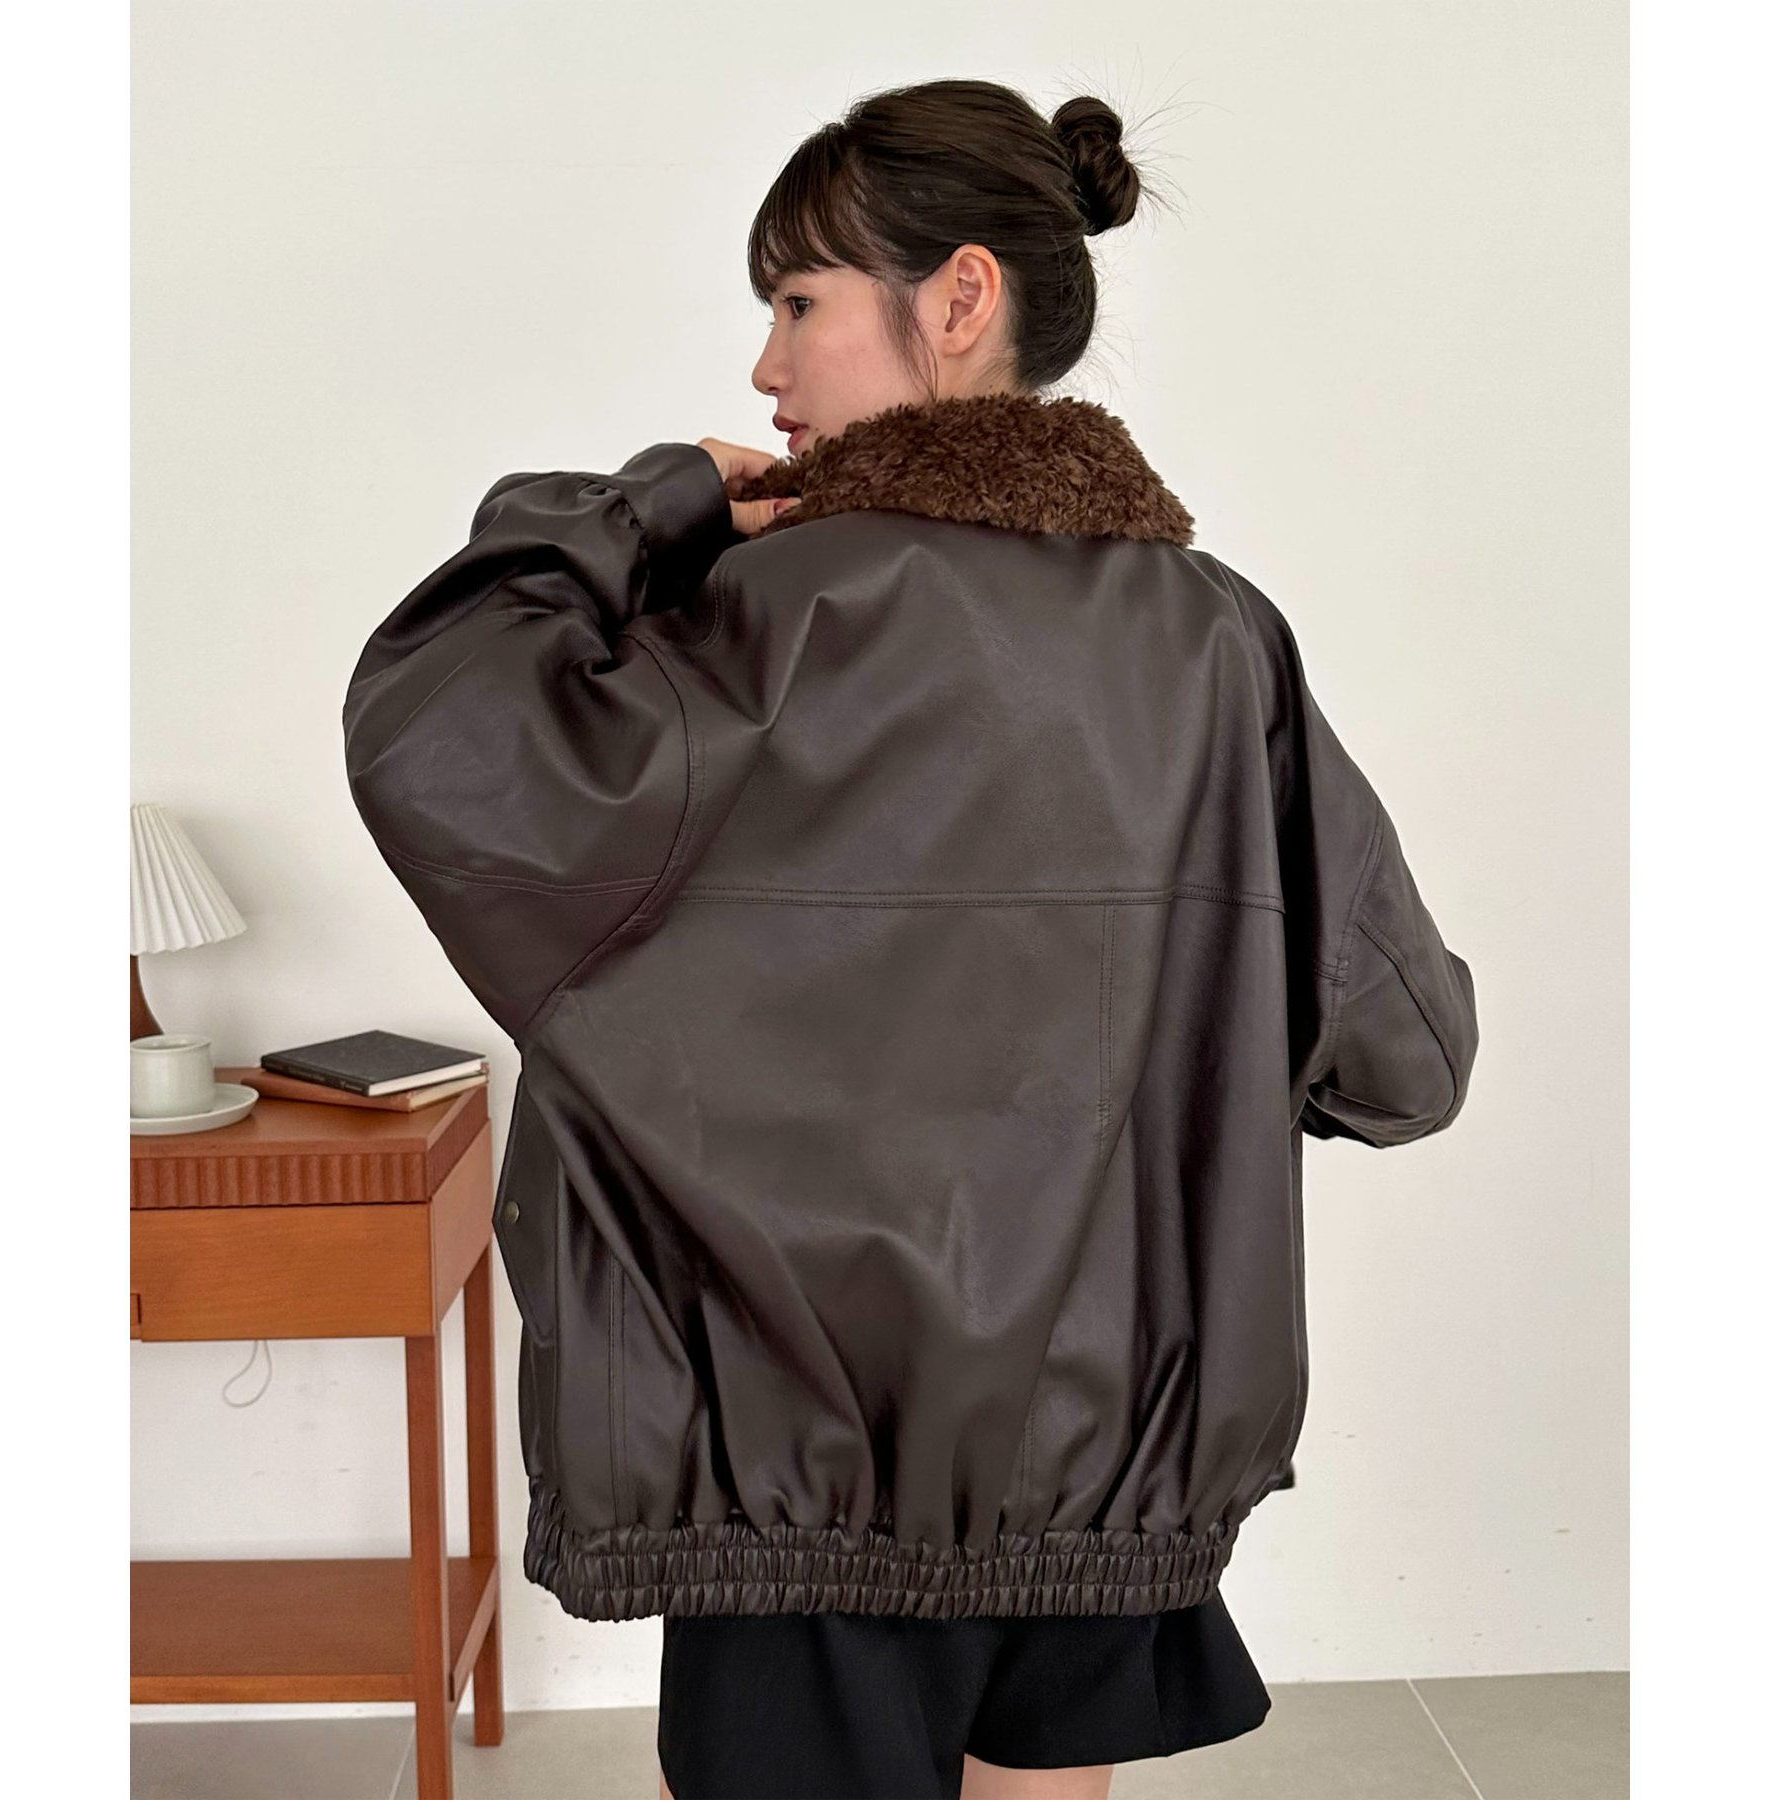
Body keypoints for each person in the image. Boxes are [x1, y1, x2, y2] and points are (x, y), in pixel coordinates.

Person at [343, 77, 1480, 1800]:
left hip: (798, 1477)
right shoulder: (1216, 643)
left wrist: (649, 510)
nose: (765, 368)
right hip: (1097, 1467)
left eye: (798, 301)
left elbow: (440, 736)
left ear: (958, 298)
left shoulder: (733, 626)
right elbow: (1405, 1059)